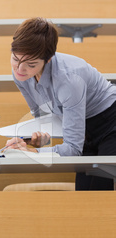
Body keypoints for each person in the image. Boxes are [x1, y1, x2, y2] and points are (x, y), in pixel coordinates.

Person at [6, 17, 116, 190]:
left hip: (111, 121)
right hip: (84, 126)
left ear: (48, 59)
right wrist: (29, 140)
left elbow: (73, 149)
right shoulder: (21, 75)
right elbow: (42, 116)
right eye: (15, 58)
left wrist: (35, 153)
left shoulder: (69, 79)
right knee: (84, 191)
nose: (19, 69)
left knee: (100, 189)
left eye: (31, 64)